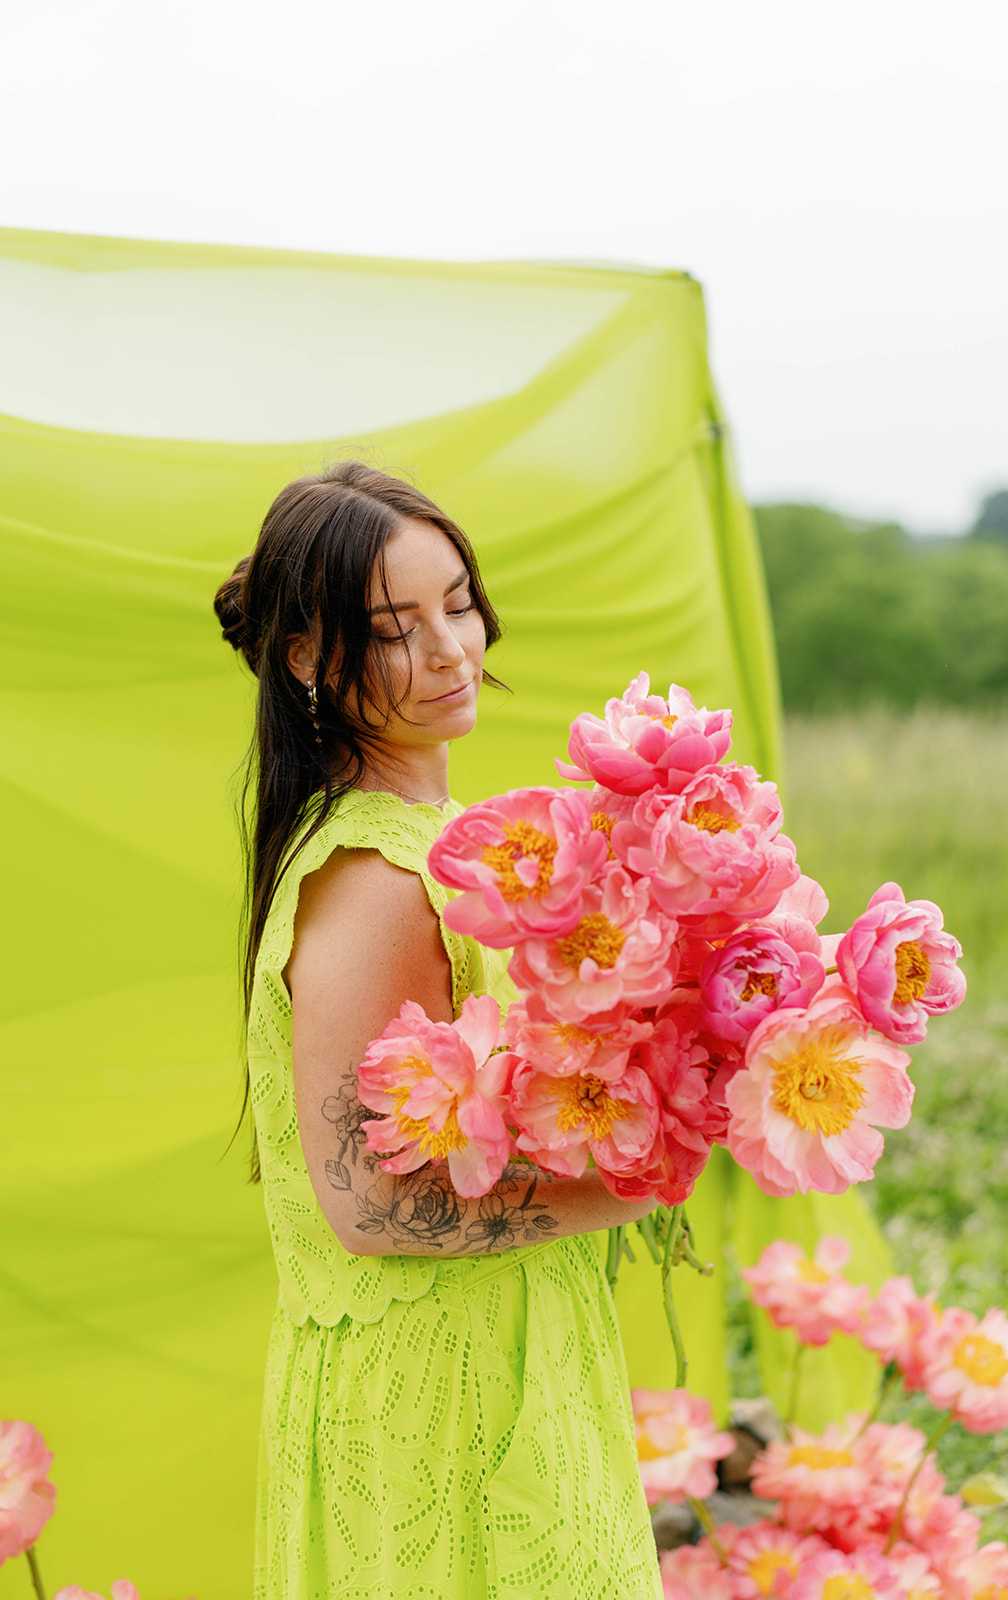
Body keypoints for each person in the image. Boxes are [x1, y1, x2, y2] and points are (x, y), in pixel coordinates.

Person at [214, 460, 666, 1598]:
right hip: (430, 1388)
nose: (451, 648)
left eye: (456, 602)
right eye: (394, 628)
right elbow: (365, 1202)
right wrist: (627, 1182)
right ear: (309, 657)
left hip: (507, 1342)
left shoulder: (451, 845)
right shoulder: (371, 878)